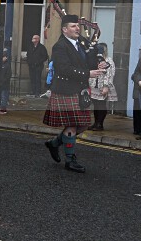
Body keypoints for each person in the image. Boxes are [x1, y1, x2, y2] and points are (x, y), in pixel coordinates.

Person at [43, 15, 107, 173]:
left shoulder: (82, 43)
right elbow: (63, 69)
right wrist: (87, 73)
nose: (77, 28)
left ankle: (55, 143)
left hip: (79, 90)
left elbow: (89, 62)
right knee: (71, 124)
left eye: (77, 26)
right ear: (65, 29)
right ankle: (70, 159)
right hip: (65, 89)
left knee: (83, 124)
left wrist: (99, 64)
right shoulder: (60, 46)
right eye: (73, 26)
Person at [89, 43, 117, 131]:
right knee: (96, 105)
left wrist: (106, 86)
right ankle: (95, 123)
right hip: (94, 86)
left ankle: (100, 124)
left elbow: (109, 75)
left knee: (101, 105)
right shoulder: (95, 60)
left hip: (102, 86)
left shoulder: (108, 60)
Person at [0, 48, 12, 114]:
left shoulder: (7, 65)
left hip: (4, 84)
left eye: (4, 57)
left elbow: (8, 75)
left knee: (4, 97)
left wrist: (3, 81)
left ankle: (3, 108)